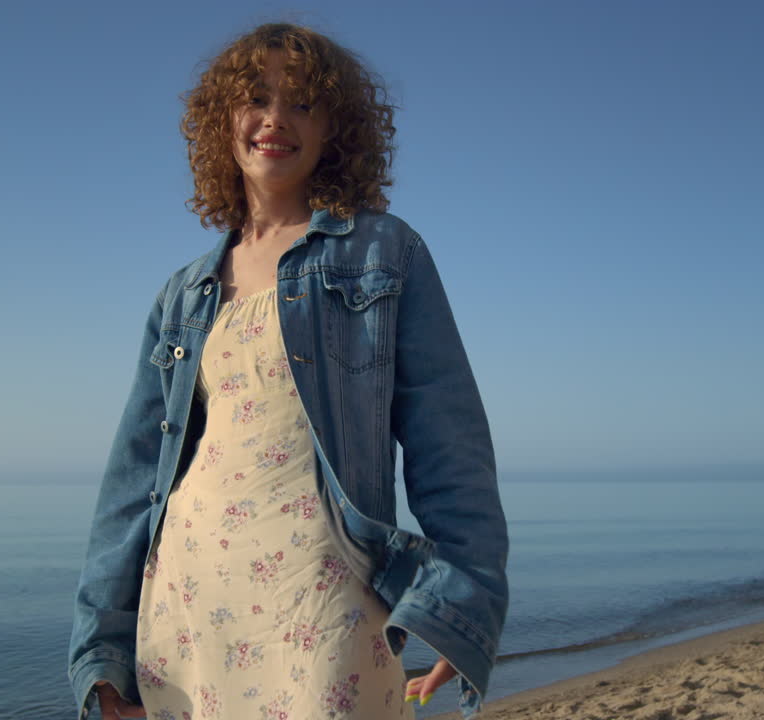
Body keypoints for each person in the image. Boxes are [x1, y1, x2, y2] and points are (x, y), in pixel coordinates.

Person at [68, 22, 508, 720]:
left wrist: (466, 602)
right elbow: (133, 477)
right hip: (189, 604)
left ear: (338, 127)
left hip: (326, 601)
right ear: (223, 120)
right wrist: (101, 649)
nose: (276, 119)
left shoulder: (383, 253)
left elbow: (448, 440)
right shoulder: (185, 293)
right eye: (256, 99)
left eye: (304, 102)